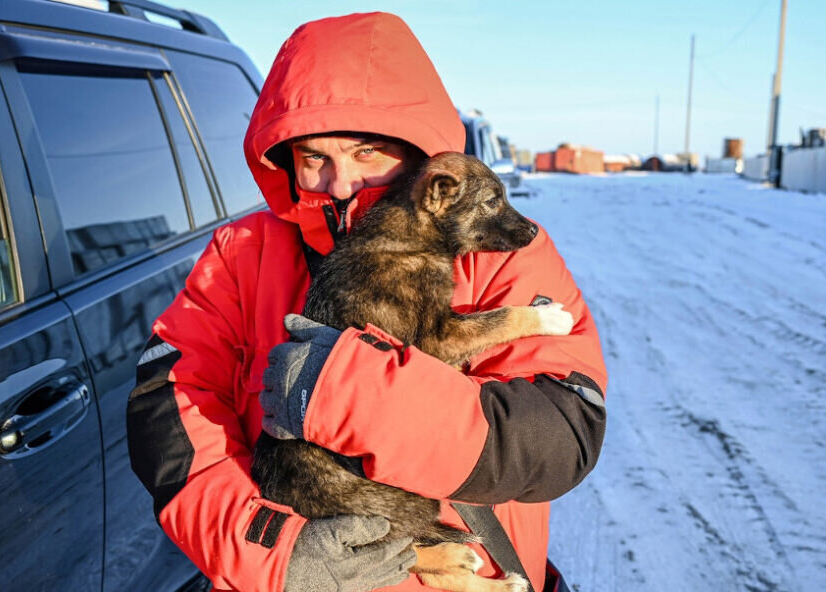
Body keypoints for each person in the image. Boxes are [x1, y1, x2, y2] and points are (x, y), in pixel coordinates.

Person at [127, 12, 607, 592]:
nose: (341, 183)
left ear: (418, 154)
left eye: (367, 151)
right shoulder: (242, 252)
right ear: (285, 162)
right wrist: (274, 551)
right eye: (314, 158)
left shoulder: (496, 255)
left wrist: (359, 395)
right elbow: (172, 412)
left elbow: (560, 435)